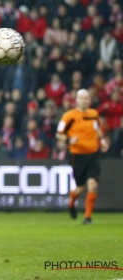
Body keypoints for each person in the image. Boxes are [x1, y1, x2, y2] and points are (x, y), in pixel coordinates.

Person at [56, 89, 109, 225]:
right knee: (80, 187)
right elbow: (59, 134)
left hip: (93, 154)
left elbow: (97, 129)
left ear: (89, 100)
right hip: (77, 155)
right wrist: (68, 140)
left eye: (86, 98)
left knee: (93, 184)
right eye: (81, 98)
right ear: (77, 100)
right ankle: (72, 201)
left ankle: (87, 217)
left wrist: (102, 140)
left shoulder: (94, 114)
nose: (84, 100)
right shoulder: (69, 116)